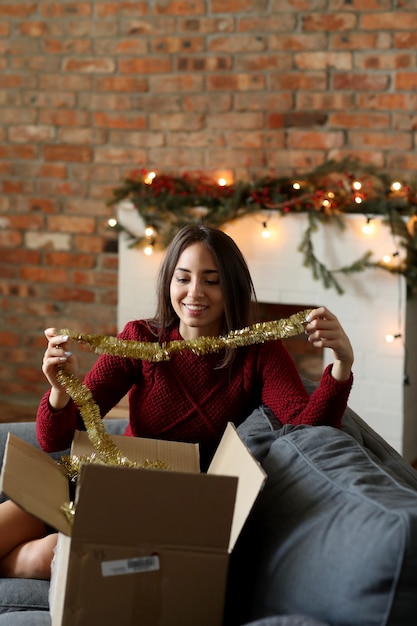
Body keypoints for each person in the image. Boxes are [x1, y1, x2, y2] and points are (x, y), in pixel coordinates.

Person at [0, 223, 354, 580]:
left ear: (232, 287)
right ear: (169, 282)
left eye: (212, 281)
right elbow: (53, 440)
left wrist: (341, 365)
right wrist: (61, 389)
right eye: (183, 278)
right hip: (110, 479)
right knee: (10, 519)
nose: (194, 293)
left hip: (170, 506)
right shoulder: (140, 338)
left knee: (46, 556)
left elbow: (307, 431)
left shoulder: (259, 351)